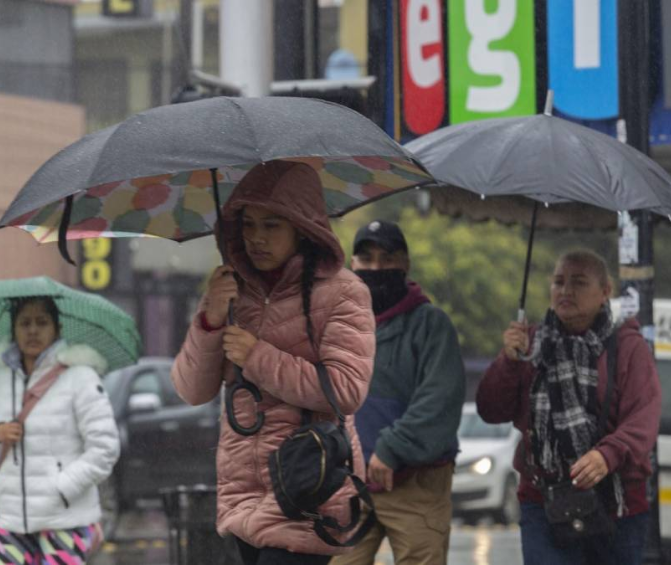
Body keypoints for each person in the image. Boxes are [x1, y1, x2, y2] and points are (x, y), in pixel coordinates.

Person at [171, 160, 376, 564]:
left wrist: (257, 356)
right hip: (240, 493)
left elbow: (347, 390)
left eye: (271, 226)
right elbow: (192, 390)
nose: (256, 239)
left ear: (302, 228)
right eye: (248, 225)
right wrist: (210, 319)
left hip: (305, 487)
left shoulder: (343, 292)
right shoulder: (231, 290)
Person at [476, 249, 661, 565]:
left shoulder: (627, 346)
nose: (565, 291)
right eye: (558, 282)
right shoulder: (530, 342)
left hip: (618, 507)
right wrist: (508, 360)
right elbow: (491, 409)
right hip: (544, 501)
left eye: (578, 282)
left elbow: (643, 418)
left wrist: (607, 455)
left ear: (605, 292)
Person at [331, 220, 466, 565]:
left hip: (416, 484)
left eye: (387, 258)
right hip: (347, 484)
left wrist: (391, 450)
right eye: (367, 259)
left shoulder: (431, 324)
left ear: (405, 264)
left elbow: (440, 401)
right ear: (353, 264)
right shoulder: (338, 324)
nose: (376, 267)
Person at [0, 296, 119, 565]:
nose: (32, 330)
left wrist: (60, 487)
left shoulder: (80, 378)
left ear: (57, 329)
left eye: (41, 322)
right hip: (11, 520)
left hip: (65, 519)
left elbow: (105, 448)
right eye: (24, 323)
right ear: (13, 330)